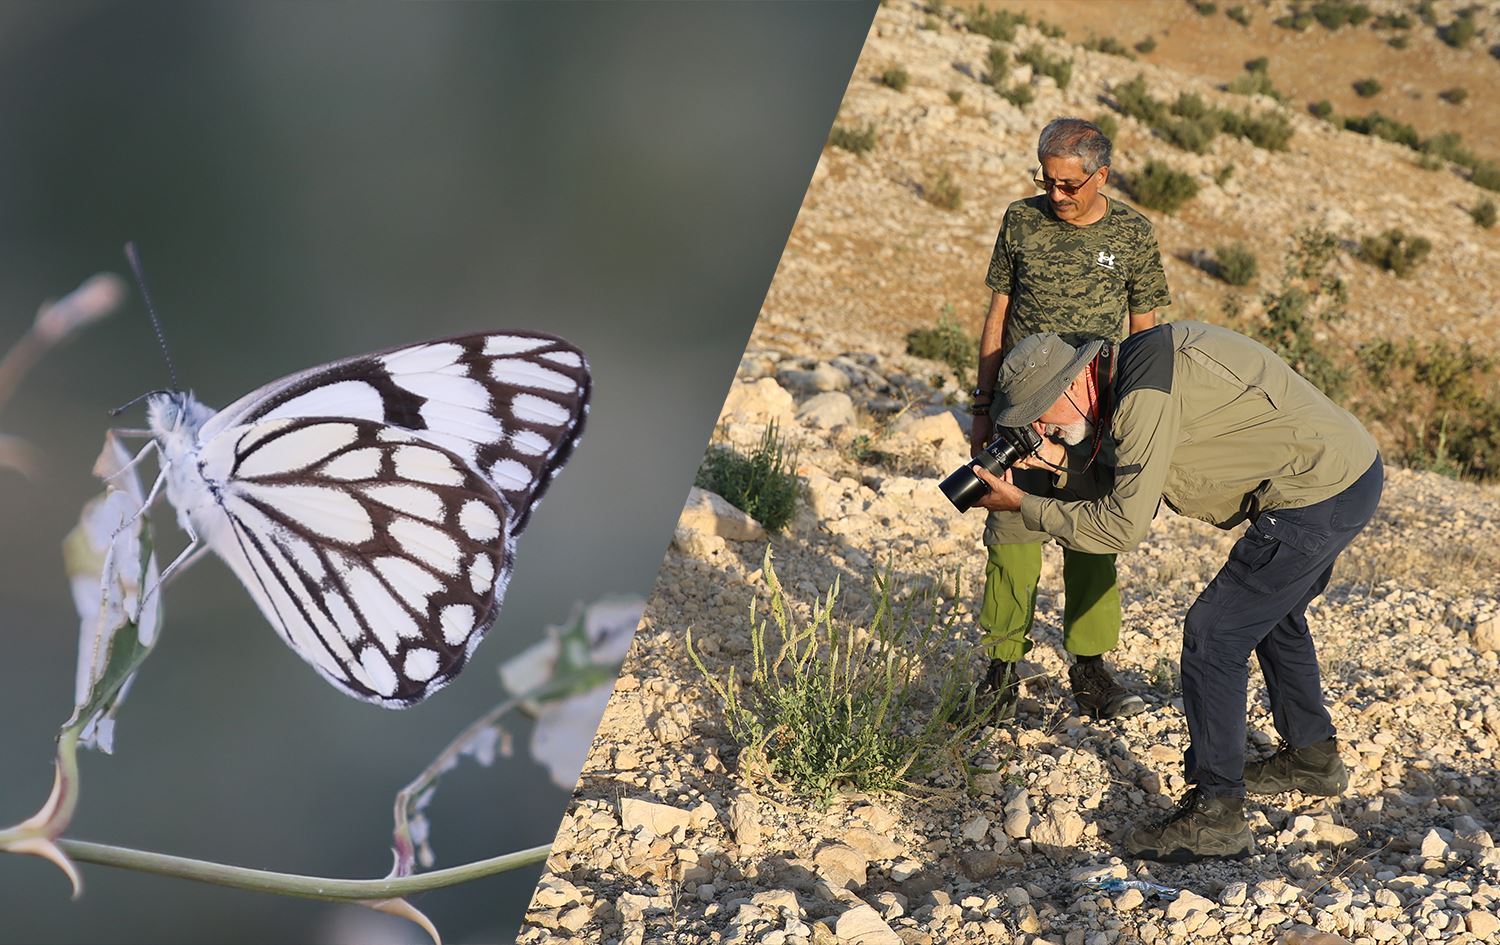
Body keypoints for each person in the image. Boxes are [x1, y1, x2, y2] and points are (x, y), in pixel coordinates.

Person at [968, 323, 1382, 862]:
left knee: (1214, 634)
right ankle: (1312, 758)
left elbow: (1120, 526)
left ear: (1072, 385)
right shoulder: (1133, 370)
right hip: (1345, 473)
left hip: (1319, 493)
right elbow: (1122, 476)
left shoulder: (1140, 400)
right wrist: (1050, 465)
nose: (1040, 429)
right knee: (1274, 615)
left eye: (1040, 416)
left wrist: (1022, 505)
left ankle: (1217, 816)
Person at [968, 117, 1170, 722]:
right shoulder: (1020, 220)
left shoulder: (1134, 233)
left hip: (1097, 418)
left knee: (1092, 540)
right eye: (1047, 181)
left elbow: (1149, 332)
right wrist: (983, 408)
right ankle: (1000, 671)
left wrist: (1144, 422)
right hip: (1020, 411)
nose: (1056, 195)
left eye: (1069, 186)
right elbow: (997, 316)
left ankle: (1090, 670)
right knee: (1010, 538)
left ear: (1100, 175)